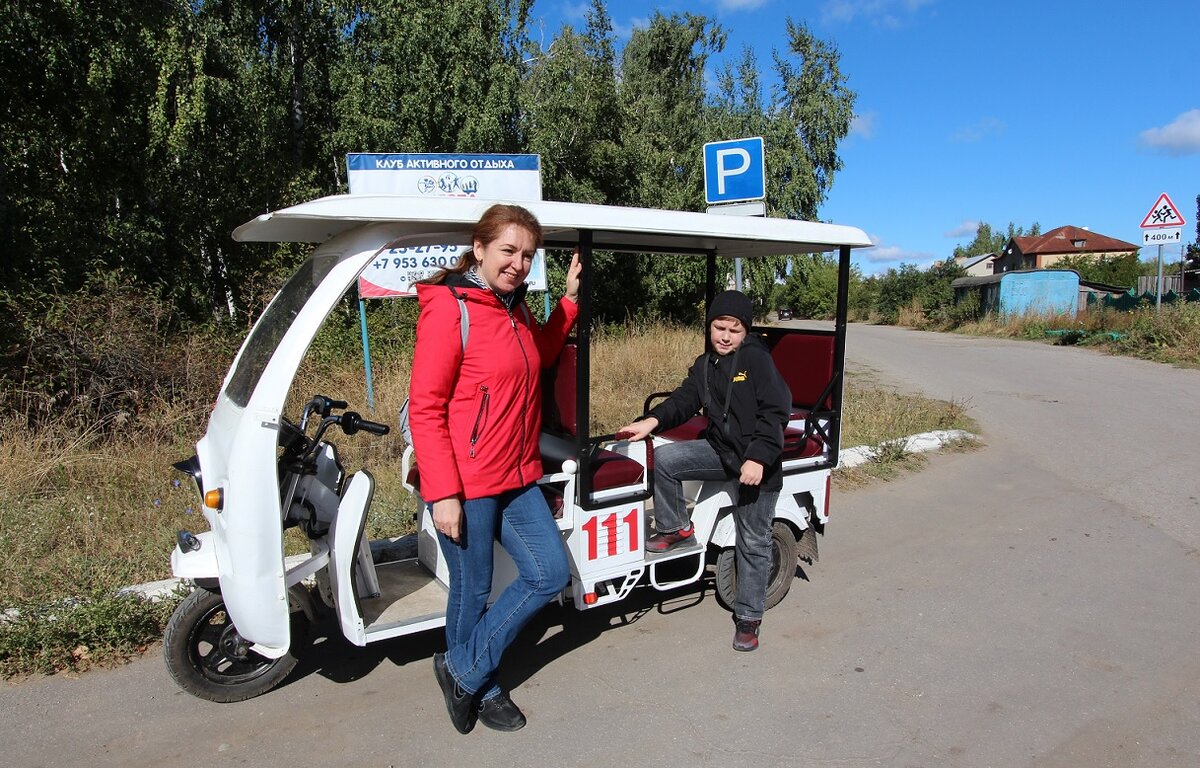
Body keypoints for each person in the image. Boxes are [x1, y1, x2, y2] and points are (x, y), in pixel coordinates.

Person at [408, 204, 581, 733]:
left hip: (517, 474)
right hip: (466, 482)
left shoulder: (513, 308)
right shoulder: (450, 308)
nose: (518, 263)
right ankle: (483, 687)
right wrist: (443, 494)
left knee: (549, 572)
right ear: (479, 249)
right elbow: (426, 407)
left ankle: (460, 668)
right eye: (509, 251)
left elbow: (540, 353)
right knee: (473, 588)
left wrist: (569, 302)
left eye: (527, 255)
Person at [617, 290, 791, 652]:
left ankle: (748, 617)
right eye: (719, 327)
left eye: (735, 329)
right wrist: (652, 420)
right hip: (721, 453)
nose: (725, 336)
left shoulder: (756, 362)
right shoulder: (706, 363)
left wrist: (758, 458)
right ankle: (676, 527)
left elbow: (776, 412)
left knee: (754, 541)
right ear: (709, 326)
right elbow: (685, 400)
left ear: (746, 332)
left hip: (756, 466)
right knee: (665, 460)